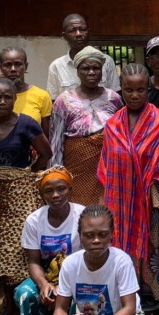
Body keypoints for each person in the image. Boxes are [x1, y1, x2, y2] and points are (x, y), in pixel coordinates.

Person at [99, 63, 159, 315]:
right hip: (120, 203)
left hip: (155, 203)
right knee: (122, 257)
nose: (135, 95)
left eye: (141, 89)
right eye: (129, 90)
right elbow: (106, 170)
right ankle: (126, 312)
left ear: (148, 89)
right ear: (121, 90)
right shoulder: (112, 125)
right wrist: (103, 209)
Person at [0, 77, 53, 315]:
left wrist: (26, 177)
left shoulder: (26, 124)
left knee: (21, 251)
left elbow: (46, 154)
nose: (3, 101)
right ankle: (7, 308)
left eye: (8, 96)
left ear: (14, 98)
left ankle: (25, 309)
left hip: (21, 198)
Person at [16, 168, 86, 315]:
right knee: (24, 294)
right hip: (46, 277)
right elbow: (33, 261)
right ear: (41, 195)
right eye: (49, 191)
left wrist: (63, 285)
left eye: (61, 189)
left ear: (70, 190)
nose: (56, 195)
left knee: (77, 296)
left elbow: (90, 258)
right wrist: (43, 284)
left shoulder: (82, 216)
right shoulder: (34, 220)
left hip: (75, 277)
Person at [49, 47, 123, 205]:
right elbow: (56, 142)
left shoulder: (114, 98)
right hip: (77, 168)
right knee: (79, 211)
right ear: (77, 71)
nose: (91, 72)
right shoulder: (64, 101)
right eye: (86, 68)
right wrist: (57, 175)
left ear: (102, 71)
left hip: (109, 167)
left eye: (96, 68)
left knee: (108, 210)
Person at [0, 47, 54, 136]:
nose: (13, 69)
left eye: (18, 64)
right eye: (8, 65)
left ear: (25, 66)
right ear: (0, 67)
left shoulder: (42, 96)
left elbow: (47, 135)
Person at [47, 13, 120, 96]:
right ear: (64, 36)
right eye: (72, 30)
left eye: (82, 29)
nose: (78, 34)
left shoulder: (106, 61)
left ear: (89, 32)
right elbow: (53, 101)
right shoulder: (56, 66)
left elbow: (115, 96)